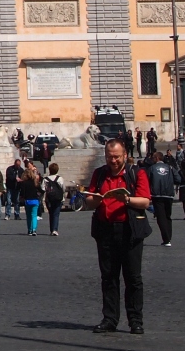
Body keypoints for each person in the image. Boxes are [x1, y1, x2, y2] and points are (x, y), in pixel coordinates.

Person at [82, 138, 152, 335]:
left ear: (125, 156)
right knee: (108, 277)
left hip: (130, 230)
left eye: (116, 157)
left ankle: (135, 321)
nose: (113, 161)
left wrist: (127, 199)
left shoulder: (136, 173)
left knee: (133, 278)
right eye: (109, 157)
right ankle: (110, 318)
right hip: (105, 230)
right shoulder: (100, 174)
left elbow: (145, 201)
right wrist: (93, 199)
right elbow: (90, 200)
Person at [145, 152, 176, 247]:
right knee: (167, 216)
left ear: (156, 158)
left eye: (153, 158)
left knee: (161, 217)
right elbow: (178, 178)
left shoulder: (152, 168)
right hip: (169, 194)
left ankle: (166, 239)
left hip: (157, 195)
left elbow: (146, 180)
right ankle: (168, 238)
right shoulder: (170, 168)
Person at [42, 161, 66, 237]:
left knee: (51, 214)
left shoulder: (45, 179)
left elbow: (43, 188)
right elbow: (63, 188)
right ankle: (55, 230)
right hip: (58, 198)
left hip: (49, 199)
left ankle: (52, 229)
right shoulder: (60, 179)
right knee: (56, 214)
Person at [19, 160, 42, 236]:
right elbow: (41, 190)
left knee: (28, 216)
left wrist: (22, 197)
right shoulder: (35, 182)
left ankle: (29, 230)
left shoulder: (24, 183)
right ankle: (34, 230)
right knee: (34, 216)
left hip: (28, 201)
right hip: (35, 200)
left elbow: (22, 193)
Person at [4, 156, 25, 221]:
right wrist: (15, 178)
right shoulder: (10, 169)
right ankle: (8, 214)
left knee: (17, 202)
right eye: (17, 165)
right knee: (9, 201)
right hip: (10, 187)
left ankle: (17, 214)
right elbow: (8, 176)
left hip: (17, 188)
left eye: (19, 165)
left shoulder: (21, 170)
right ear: (15, 164)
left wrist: (21, 180)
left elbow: (23, 177)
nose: (18, 166)